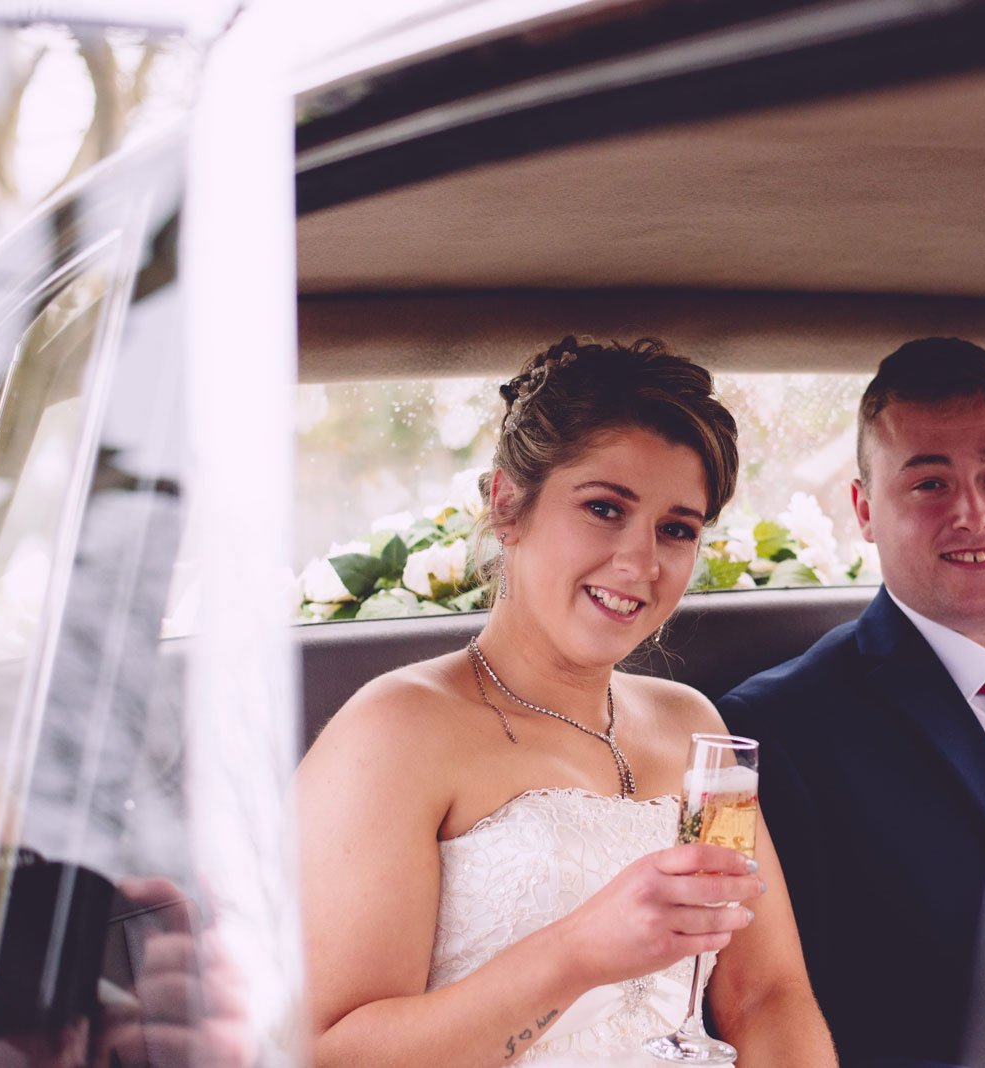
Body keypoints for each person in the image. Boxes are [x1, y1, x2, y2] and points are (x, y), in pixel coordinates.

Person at [296, 337, 836, 1068]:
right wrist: (579, 951)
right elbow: (328, 1054)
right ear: (507, 504)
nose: (642, 563)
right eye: (604, 508)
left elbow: (766, 993)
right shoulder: (395, 729)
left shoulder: (694, 728)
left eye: (677, 529)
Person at [717, 337, 985, 1068]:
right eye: (930, 485)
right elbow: (766, 1004)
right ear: (863, 510)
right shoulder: (769, 732)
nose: (972, 514)